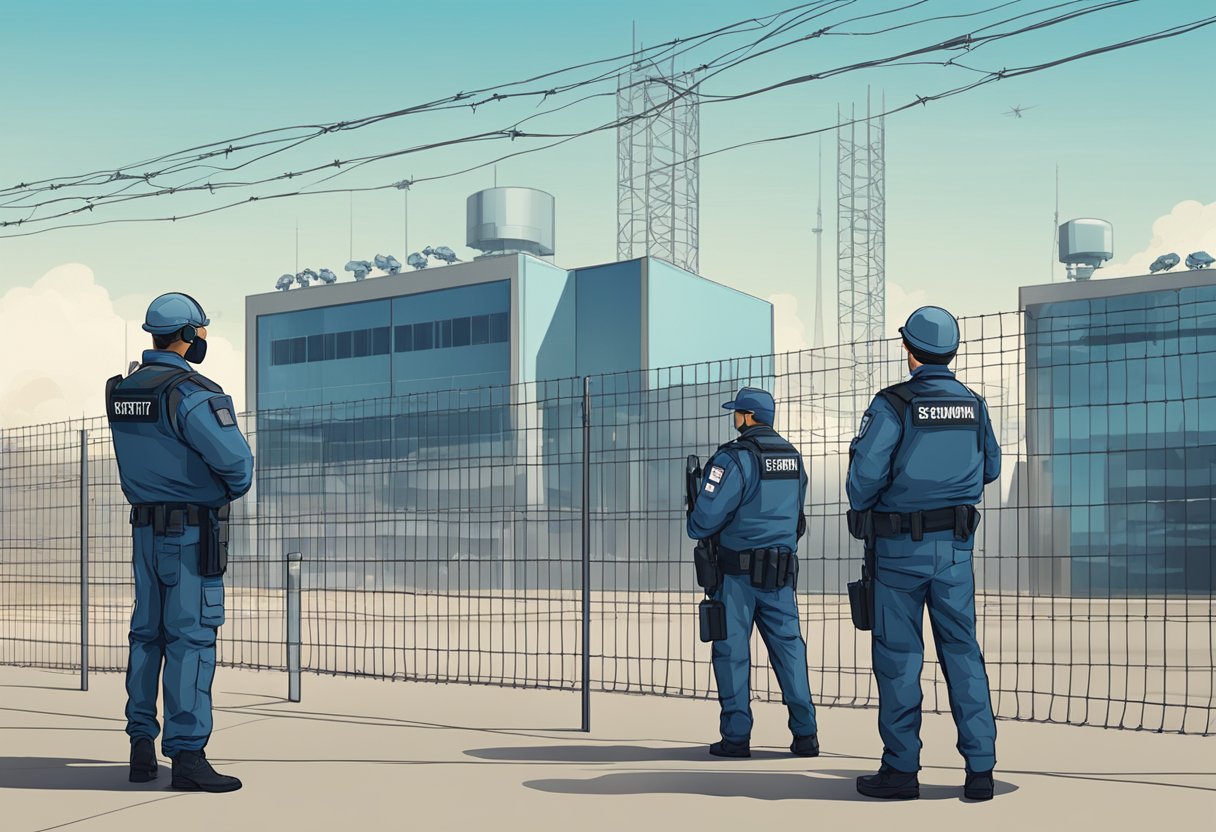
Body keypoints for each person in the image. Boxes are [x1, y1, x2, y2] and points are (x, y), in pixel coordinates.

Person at [846, 306, 1000, 801]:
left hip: (897, 552)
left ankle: (901, 770)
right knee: (963, 653)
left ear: (909, 351)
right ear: (951, 351)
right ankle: (979, 771)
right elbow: (992, 469)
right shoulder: (974, 404)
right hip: (955, 550)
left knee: (899, 658)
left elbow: (863, 482)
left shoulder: (893, 404)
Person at [106, 292, 253, 793]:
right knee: (191, 638)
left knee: (146, 636)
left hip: (144, 533)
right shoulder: (190, 393)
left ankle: (141, 746)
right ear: (189, 335)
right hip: (190, 535)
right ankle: (187, 757)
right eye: (202, 332)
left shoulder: (124, 391)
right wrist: (214, 493)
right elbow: (238, 466)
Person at [686, 386, 819, 759]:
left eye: (737, 412)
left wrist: (696, 512)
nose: (735, 418)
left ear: (747, 417)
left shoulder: (734, 459)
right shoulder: (793, 458)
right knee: (790, 652)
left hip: (737, 576)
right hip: (780, 574)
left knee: (732, 653)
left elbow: (703, 521)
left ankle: (736, 737)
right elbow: (797, 515)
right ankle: (806, 734)